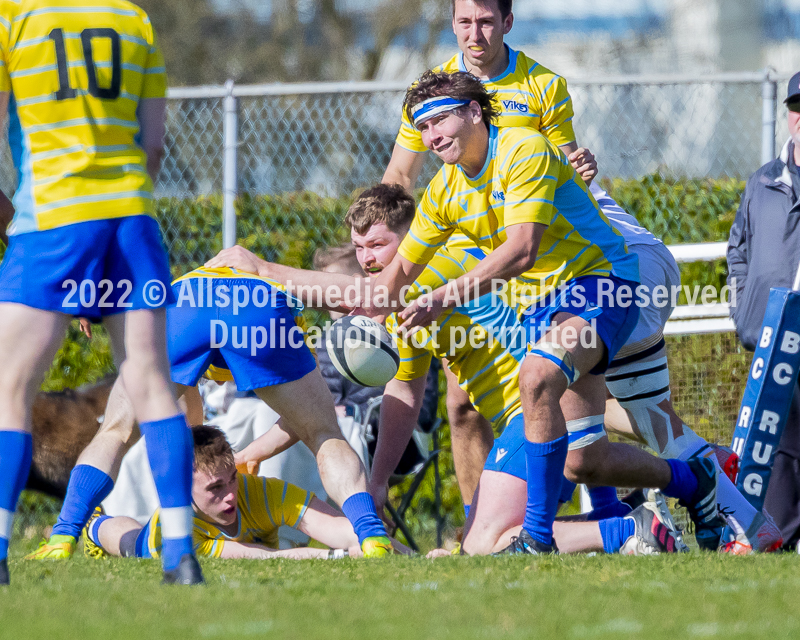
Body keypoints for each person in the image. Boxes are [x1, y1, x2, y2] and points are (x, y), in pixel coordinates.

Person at [210, 183, 684, 557]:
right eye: (359, 248)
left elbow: (356, 298)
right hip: (533, 418)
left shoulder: (434, 264)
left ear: (412, 236)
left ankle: (630, 526)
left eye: (378, 244)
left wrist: (262, 268)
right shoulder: (408, 304)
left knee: (481, 544)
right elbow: (403, 395)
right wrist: (375, 482)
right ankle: (640, 512)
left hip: (534, 415)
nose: (368, 259)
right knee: (486, 540)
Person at [359, 71, 723, 554]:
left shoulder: (522, 148)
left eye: (441, 119)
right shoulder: (445, 189)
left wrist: (441, 297)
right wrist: (362, 317)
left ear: (474, 112)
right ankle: (692, 481)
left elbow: (522, 250)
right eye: (422, 128)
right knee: (583, 461)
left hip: (601, 282)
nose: (432, 136)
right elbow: (400, 268)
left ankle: (537, 540)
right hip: (545, 306)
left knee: (535, 378)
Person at [0, 0, 203, 585]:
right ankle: (181, 554)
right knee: (150, 384)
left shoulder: (17, 17)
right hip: (131, 224)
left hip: (54, 222)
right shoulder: (133, 20)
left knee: (10, 389)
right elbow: (155, 146)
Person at [27, 263, 393, 562]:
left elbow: (189, 430)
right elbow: (304, 423)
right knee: (324, 433)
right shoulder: (279, 305)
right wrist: (252, 455)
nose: (218, 383)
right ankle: (372, 534)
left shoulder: (180, 294)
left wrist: (248, 454)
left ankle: (63, 534)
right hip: (256, 305)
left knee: (114, 432)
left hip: (183, 306)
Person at [382, 0, 597, 509]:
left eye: (484, 21)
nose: (474, 34)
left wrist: (580, 167)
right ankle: (479, 526)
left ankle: (587, 501)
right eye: (463, 22)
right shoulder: (433, 91)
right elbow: (399, 177)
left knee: (554, 386)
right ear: (452, 24)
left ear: (506, 22)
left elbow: (562, 166)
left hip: (528, 260)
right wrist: (388, 242)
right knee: (461, 405)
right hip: (462, 254)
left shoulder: (542, 86)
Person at [84, 425, 411, 560]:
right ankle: (92, 525)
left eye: (232, 480)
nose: (230, 495)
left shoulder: (261, 492)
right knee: (129, 541)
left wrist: (410, 558)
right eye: (215, 488)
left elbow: (346, 531)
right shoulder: (174, 529)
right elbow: (261, 558)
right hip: (154, 543)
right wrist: (338, 557)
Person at [727, 70, 800, 551]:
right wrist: (743, 304)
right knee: (775, 450)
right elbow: (738, 250)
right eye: (798, 108)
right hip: (772, 340)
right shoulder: (763, 181)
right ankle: (773, 540)